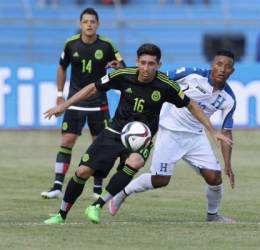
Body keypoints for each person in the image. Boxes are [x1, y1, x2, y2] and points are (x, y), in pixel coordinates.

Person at [43, 43, 233, 224]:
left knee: (136, 162)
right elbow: (93, 87)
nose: (146, 68)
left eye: (151, 64)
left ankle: (97, 205)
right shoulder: (123, 75)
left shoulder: (166, 86)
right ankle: (61, 215)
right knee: (82, 171)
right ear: (137, 62)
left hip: (143, 137)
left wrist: (212, 131)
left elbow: (191, 105)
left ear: (159, 65)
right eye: (142, 63)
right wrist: (64, 105)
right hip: (115, 131)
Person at [108, 50, 236, 222]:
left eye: (227, 67)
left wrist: (228, 164)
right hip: (170, 131)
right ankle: (122, 193)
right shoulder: (192, 75)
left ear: (232, 71)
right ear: (212, 65)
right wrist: (125, 69)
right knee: (161, 180)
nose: (222, 69)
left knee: (215, 177)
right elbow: (155, 76)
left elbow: (227, 133)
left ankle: (212, 216)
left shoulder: (229, 99)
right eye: (219, 64)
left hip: (195, 138)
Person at [41, 7, 125, 200]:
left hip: (99, 103)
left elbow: (123, 67)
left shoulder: (107, 45)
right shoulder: (71, 44)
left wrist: (117, 66)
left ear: (98, 24)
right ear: (80, 24)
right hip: (75, 102)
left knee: (99, 146)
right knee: (67, 141)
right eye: (85, 21)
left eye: (92, 21)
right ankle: (57, 187)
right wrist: (60, 94)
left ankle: (97, 189)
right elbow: (62, 68)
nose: (89, 24)